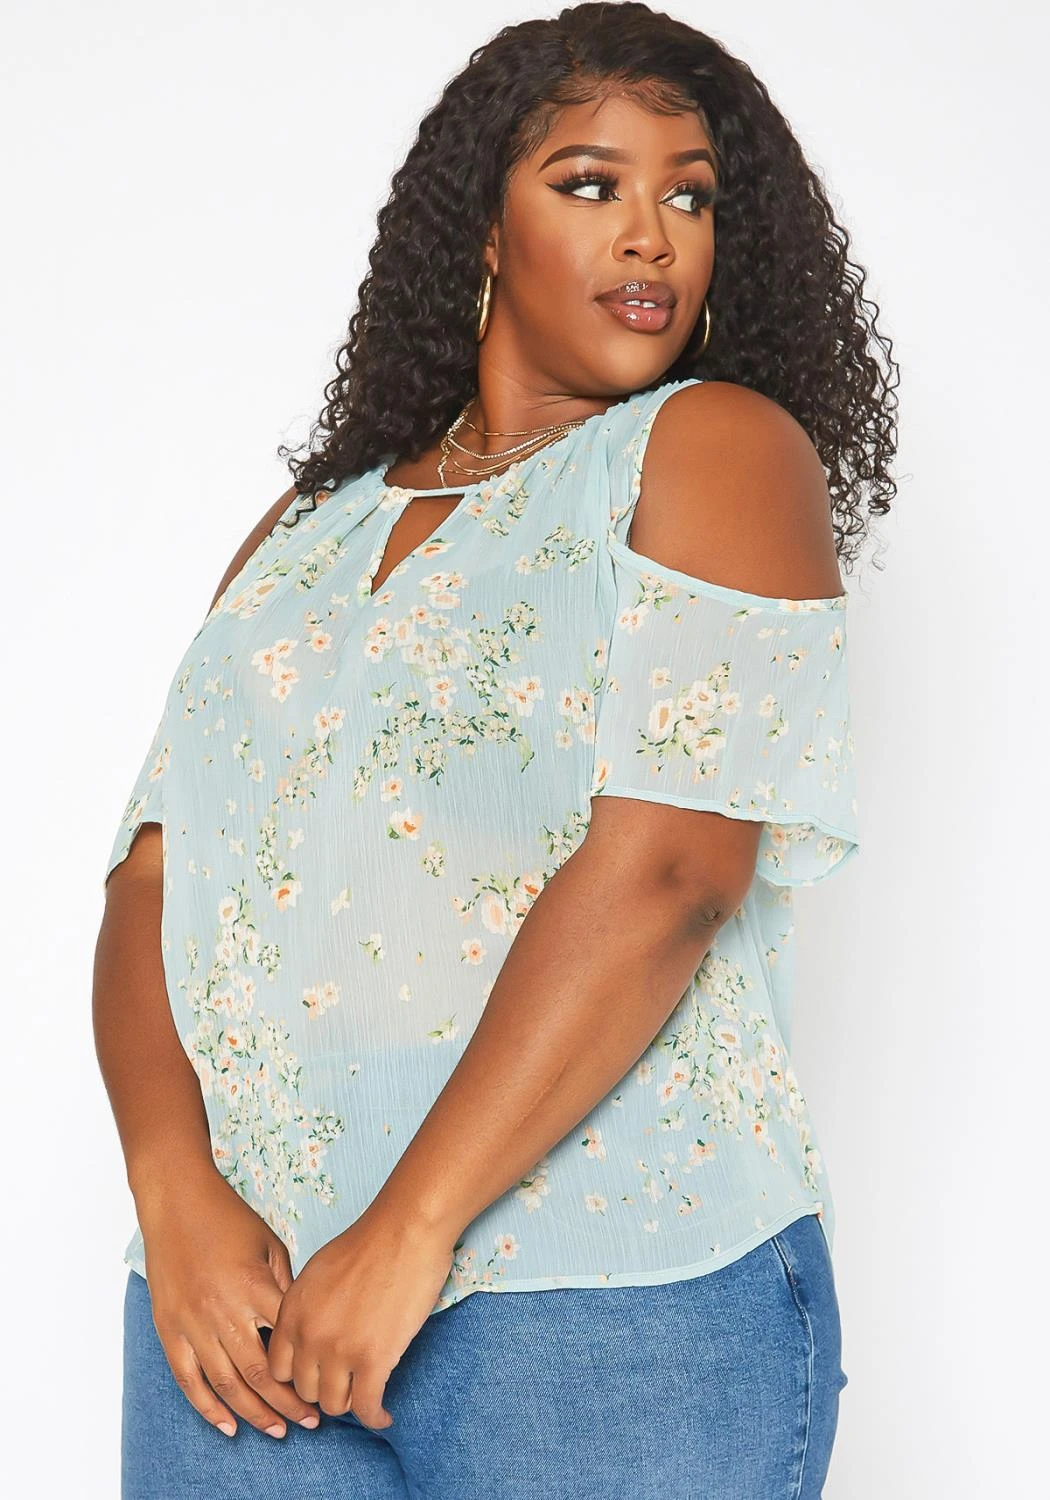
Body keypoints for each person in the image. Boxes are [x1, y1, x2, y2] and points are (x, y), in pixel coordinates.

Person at [94, 4, 898, 1496]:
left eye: (690, 197)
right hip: (237, 1305)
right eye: (591, 184)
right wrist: (172, 1192)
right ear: (482, 226)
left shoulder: (711, 448)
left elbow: (672, 870)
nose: (650, 235)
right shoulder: (305, 527)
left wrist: (409, 1230)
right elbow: (154, 877)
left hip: (602, 1301)